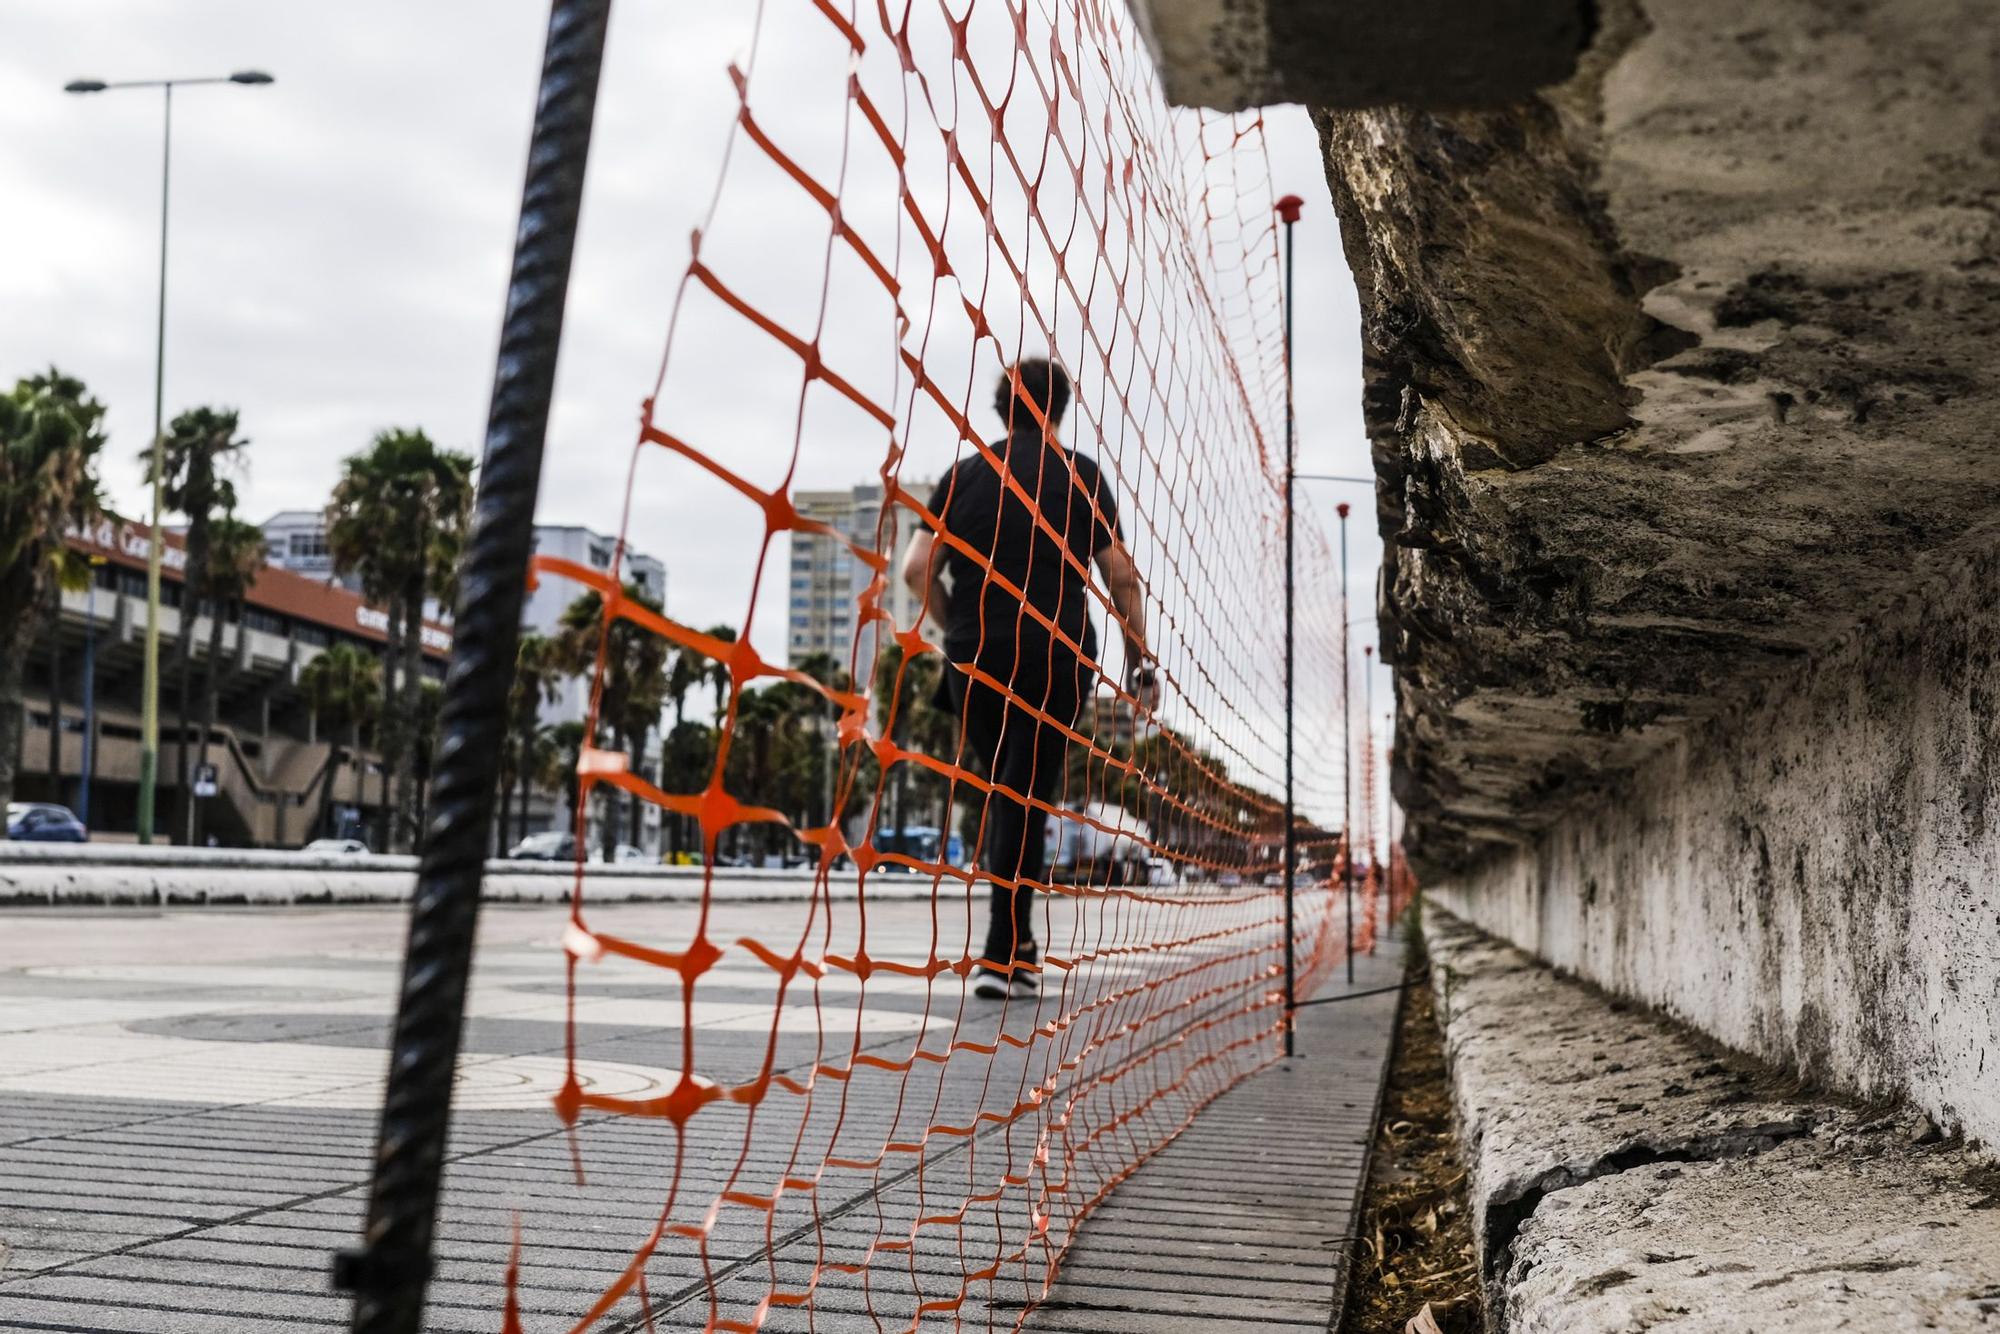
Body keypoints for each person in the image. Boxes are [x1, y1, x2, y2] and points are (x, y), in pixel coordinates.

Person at [901, 358, 1156, 1000]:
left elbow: (913, 570)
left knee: (1002, 790)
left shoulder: (962, 477)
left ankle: (1012, 948)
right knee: (1025, 793)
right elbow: (1121, 578)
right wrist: (1140, 661)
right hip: (1055, 651)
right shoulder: (1081, 476)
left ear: (999, 409)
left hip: (975, 652)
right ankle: (1002, 953)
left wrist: (954, 623)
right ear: (1062, 407)